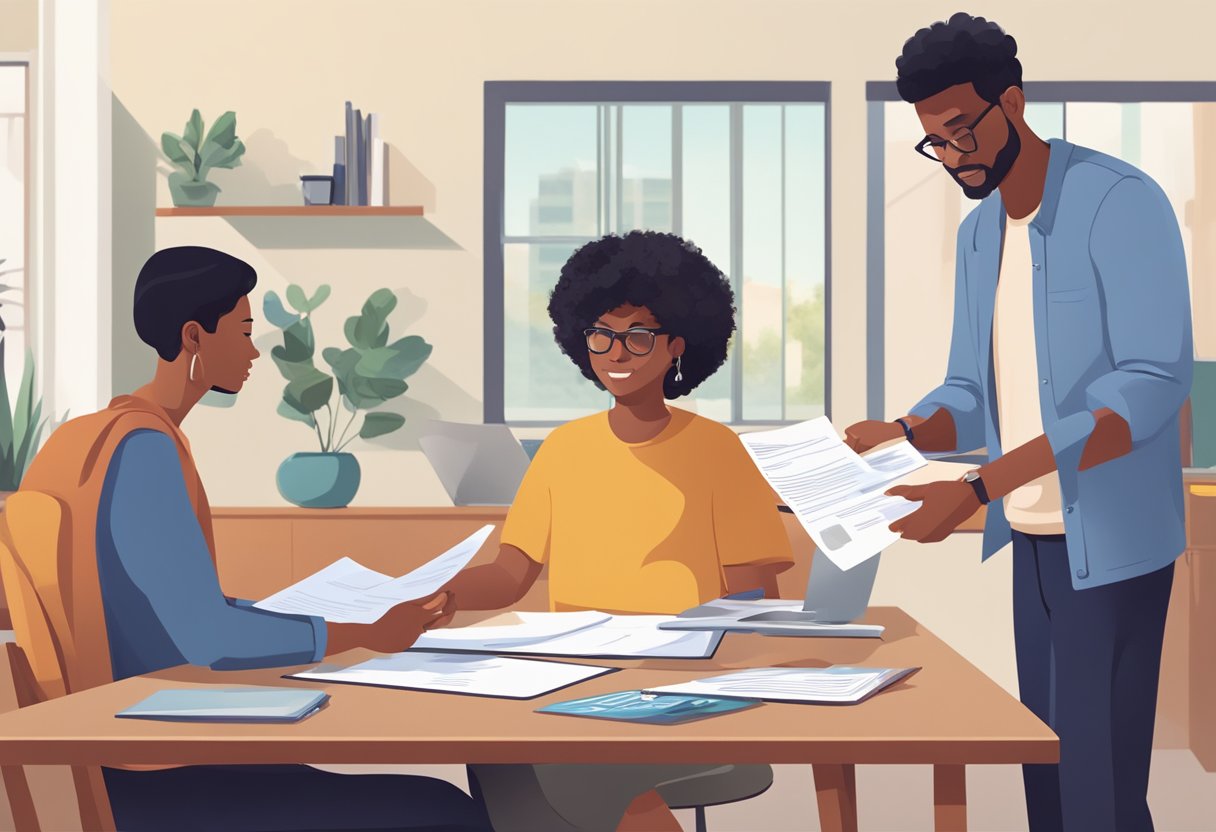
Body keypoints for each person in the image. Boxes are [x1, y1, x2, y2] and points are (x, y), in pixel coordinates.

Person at [845, 13, 1193, 832]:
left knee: (1097, 789)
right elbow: (969, 390)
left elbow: (1144, 389)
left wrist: (976, 488)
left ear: (1014, 99)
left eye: (963, 127)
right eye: (936, 140)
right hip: (1030, 542)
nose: (953, 153)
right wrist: (899, 430)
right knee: (1045, 765)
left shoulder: (1119, 202)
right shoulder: (977, 237)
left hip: (1111, 547)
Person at [17, 246, 490, 832]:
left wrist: (277, 615)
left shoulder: (80, 440)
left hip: (107, 748)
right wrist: (367, 632)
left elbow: (159, 610)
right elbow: (209, 637)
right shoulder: (144, 451)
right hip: (153, 774)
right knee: (440, 811)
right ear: (194, 336)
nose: (254, 350)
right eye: (242, 331)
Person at [444, 230, 790, 832]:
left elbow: (755, 596)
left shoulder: (717, 451)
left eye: (637, 335)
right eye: (601, 335)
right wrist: (442, 594)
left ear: (677, 345)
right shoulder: (563, 449)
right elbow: (511, 573)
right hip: (576, 681)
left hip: (689, 687)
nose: (616, 352)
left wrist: (676, 644)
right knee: (493, 749)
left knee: (577, 761)